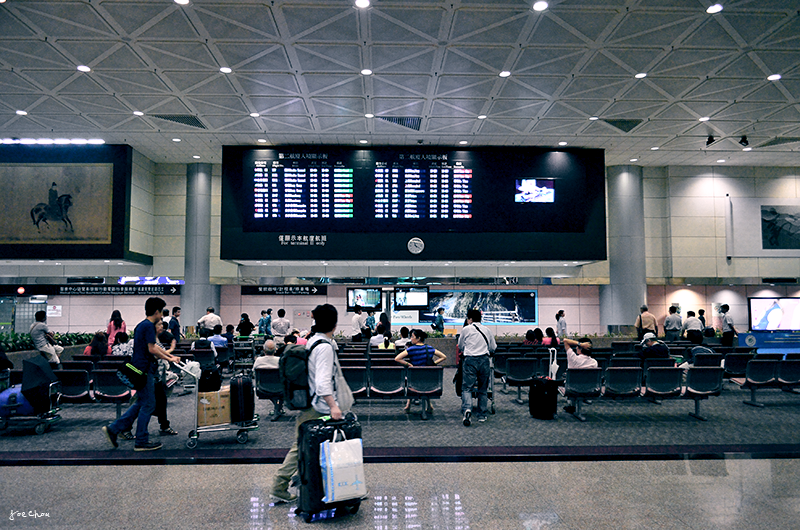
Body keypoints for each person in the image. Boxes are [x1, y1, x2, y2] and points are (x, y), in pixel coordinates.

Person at [271, 303, 347, 503]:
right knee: (309, 447)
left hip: (310, 403)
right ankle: (346, 487)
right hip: (318, 407)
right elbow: (322, 383)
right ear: (335, 324)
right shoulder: (324, 347)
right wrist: (333, 406)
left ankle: (340, 486)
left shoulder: (313, 341)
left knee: (306, 445)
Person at [102, 297, 180, 452]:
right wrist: (170, 357)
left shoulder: (141, 325)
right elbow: (152, 349)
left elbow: (154, 348)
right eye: (161, 312)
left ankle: (114, 429)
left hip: (139, 369)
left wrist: (169, 357)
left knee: (140, 403)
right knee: (149, 404)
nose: (161, 316)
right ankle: (141, 440)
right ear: (157, 311)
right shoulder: (149, 326)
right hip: (144, 371)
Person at [458, 309, 496, 427]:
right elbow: (493, 347)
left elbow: (460, 345)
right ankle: (482, 414)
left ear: (470, 319)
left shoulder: (466, 329)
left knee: (467, 388)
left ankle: (467, 410)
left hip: (470, 360)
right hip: (484, 360)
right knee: (483, 389)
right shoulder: (487, 330)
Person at [395, 329, 446, 414]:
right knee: (424, 381)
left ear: (418, 338)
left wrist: (409, 364)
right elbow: (443, 356)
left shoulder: (411, 349)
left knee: (411, 380)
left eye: (412, 337)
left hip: (414, 378)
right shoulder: (429, 348)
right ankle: (429, 405)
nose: (411, 339)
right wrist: (433, 363)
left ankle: (408, 405)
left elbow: (397, 358)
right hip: (428, 379)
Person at [154, 321, 178, 436]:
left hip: (157, 376)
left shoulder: (158, 338)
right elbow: (155, 353)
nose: (162, 327)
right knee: (142, 405)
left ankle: (164, 426)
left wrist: (170, 355)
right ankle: (122, 427)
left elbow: (161, 351)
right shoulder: (151, 340)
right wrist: (170, 355)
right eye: (159, 325)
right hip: (151, 377)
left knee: (161, 401)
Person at [562, 337, 597, 413]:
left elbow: (565, 340)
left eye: (577, 346)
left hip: (572, 388)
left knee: (570, 381)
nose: (576, 347)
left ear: (580, 348)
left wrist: (580, 344)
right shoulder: (594, 362)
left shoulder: (573, 358)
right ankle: (575, 404)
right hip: (589, 388)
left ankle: (572, 405)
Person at [254, 339, 284, 421]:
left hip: (263, 388)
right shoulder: (280, 360)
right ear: (275, 350)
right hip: (280, 388)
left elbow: (254, 374)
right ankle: (278, 408)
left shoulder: (258, 360)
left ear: (263, 350)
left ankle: (277, 408)